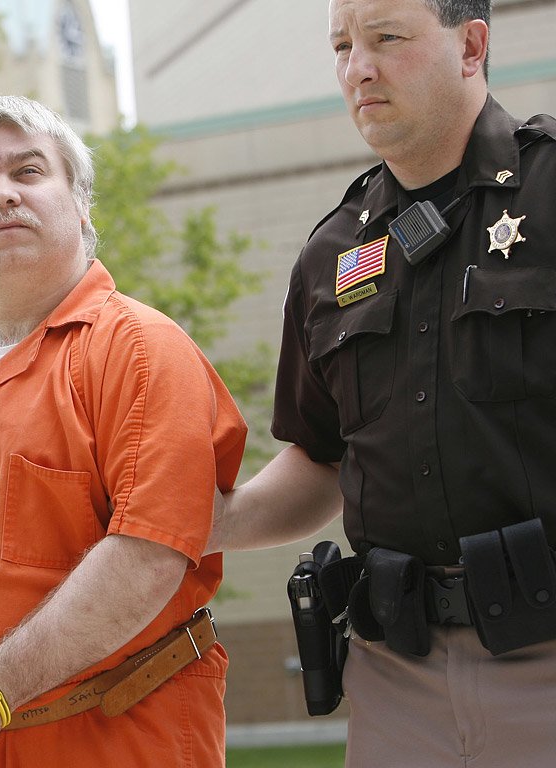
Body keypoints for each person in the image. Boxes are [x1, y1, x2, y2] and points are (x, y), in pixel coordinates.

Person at [0, 94, 247, 768]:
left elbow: (149, 553)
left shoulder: (142, 351)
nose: (1, 195)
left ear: (82, 203)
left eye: (28, 173)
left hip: (118, 744)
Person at [209, 1, 556, 766]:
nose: (357, 67)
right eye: (341, 45)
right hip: (397, 678)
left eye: (387, 39)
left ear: (471, 46)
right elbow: (321, 458)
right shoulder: (334, 254)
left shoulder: (549, 191)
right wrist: (207, 523)